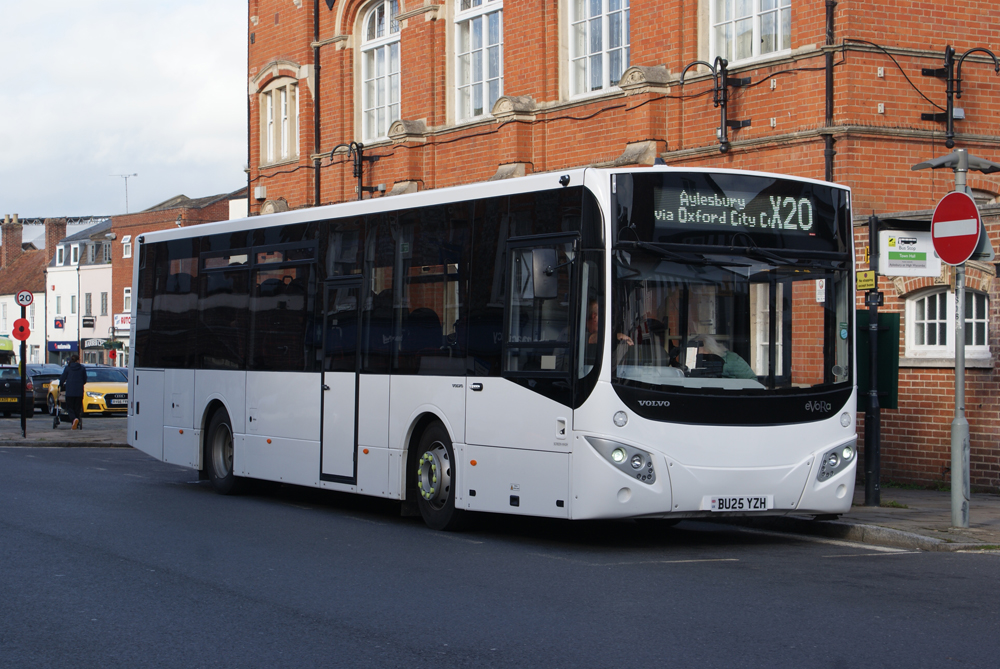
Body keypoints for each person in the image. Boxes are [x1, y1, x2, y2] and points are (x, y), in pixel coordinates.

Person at [58, 354, 87, 430]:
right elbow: (85, 379)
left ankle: (74, 419)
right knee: (77, 408)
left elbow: (62, 378)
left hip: (70, 391)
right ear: (78, 360)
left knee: (69, 407)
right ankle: (76, 422)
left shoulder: (68, 368)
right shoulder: (82, 368)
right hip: (79, 392)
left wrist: (61, 385)